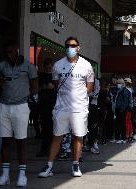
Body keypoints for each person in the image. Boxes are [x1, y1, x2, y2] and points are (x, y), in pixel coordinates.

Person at [38, 37, 94, 178]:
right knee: (57, 136)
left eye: (73, 45)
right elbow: (56, 83)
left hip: (79, 108)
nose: (70, 48)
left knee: (78, 136)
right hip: (61, 108)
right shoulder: (57, 65)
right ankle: (49, 166)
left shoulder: (86, 65)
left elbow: (89, 88)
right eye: (68, 45)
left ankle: (75, 165)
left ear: (78, 47)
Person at [0, 43, 38, 187]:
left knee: (21, 142)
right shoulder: (1, 66)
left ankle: (22, 175)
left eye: (12, 51)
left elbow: (35, 86)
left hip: (21, 107)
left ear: (18, 51)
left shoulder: (28, 66)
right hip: (3, 106)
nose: (10, 55)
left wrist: (25, 98)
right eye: (7, 52)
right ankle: (5, 174)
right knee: (5, 141)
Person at [36, 58, 56, 157]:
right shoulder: (41, 75)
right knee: (44, 128)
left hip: (54, 105)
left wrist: (52, 87)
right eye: (47, 66)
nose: (48, 67)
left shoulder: (55, 76)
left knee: (53, 128)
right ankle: (44, 149)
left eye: (50, 65)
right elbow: (37, 88)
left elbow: (58, 88)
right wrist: (45, 87)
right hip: (44, 105)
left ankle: (54, 149)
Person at [113, 78, 132, 144]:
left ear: (122, 84)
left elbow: (126, 102)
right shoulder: (118, 90)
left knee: (122, 124)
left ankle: (123, 138)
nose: (118, 85)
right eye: (117, 83)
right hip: (118, 109)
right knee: (117, 124)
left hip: (122, 110)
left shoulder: (125, 91)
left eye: (119, 83)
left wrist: (121, 109)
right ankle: (117, 138)